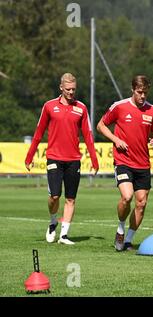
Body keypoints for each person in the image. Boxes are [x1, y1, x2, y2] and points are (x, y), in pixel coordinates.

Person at [24, 73, 99, 245]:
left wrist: (94, 160)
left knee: (71, 198)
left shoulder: (81, 108)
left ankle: (64, 235)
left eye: (73, 89)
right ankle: (52, 222)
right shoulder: (49, 106)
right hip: (54, 158)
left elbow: (88, 134)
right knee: (55, 197)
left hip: (74, 159)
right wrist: (29, 156)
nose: (71, 92)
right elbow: (38, 132)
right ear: (61, 88)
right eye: (68, 89)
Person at [97, 75, 153, 252]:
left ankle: (128, 240)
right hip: (123, 160)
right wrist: (115, 139)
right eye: (140, 92)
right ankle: (120, 228)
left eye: (145, 93)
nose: (143, 96)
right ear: (133, 90)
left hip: (143, 164)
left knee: (141, 203)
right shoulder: (119, 107)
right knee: (127, 197)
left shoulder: (152, 111)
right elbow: (101, 125)